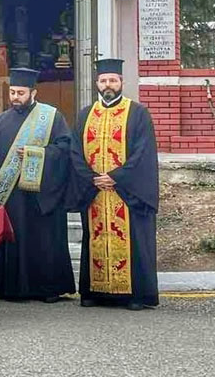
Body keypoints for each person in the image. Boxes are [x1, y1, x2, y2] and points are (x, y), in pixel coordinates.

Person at [70, 58, 159, 311]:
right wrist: (91, 178)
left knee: (132, 241)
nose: (108, 84)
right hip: (95, 192)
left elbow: (143, 153)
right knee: (95, 240)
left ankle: (135, 295)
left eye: (113, 80)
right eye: (103, 80)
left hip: (127, 192)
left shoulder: (138, 113)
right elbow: (75, 151)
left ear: (122, 82)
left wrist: (116, 177)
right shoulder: (86, 115)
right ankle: (95, 292)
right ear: (96, 83)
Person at [0, 67, 74, 303]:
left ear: (33, 92)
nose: (15, 97)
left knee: (42, 241)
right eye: (12, 92)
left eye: (20, 93)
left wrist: (36, 153)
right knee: (12, 241)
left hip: (40, 195)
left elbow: (64, 149)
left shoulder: (51, 117)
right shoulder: (1, 121)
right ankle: (9, 287)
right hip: (10, 199)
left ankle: (47, 288)